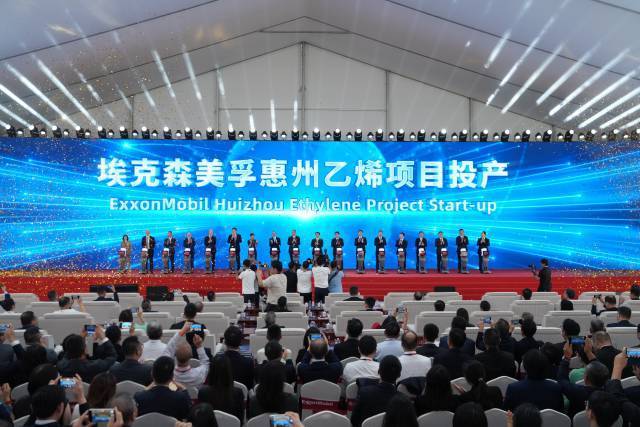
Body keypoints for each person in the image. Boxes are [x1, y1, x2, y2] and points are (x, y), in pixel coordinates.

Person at [557, 341, 609, 417]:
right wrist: (588, 352)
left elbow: (562, 380)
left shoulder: (578, 392)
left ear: (586, 379)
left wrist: (566, 358)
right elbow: (600, 370)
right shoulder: (610, 389)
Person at [351, 355, 401, 427]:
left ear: (379, 372)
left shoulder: (364, 393)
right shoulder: (404, 400)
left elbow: (354, 420)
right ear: (399, 375)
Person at [198, 356, 244, 423]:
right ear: (229, 370)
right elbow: (240, 421)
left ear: (212, 370)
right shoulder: (238, 393)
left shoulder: (203, 392)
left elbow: (200, 418)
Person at [162, 323, 209, 388]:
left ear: (175, 355)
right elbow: (205, 363)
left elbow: (168, 351)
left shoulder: (168, 374)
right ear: (191, 356)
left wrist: (181, 332)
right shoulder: (198, 374)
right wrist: (199, 346)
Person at [214, 326, 254, 390]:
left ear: (225, 341)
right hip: (243, 394)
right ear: (241, 342)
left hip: (220, 394)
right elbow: (250, 385)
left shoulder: (216, 358)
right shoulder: (249, 359)